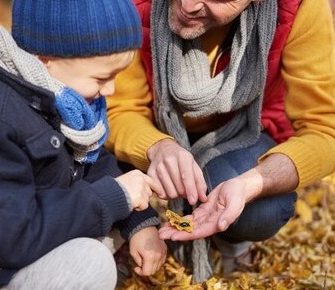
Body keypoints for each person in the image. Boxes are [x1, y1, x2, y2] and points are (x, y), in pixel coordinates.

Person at [105, 0, 335, 282]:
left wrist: (251, 184)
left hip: (238, 133)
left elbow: (325, 128)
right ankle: (123, 232)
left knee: (264, 209)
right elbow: (118, 107)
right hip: (149, 124)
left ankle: (229, 239)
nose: (188, 5)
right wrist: (157, 147)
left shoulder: (301, 8)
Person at [0, 0, 168, 289]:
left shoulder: (59, 95)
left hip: (33, 239)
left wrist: (138, 221)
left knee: (109, 227)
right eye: (102, 78)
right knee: (90, 264)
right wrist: (114, 197)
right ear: (44, 59)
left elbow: (91, 162)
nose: (112, 90)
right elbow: (9, 238)